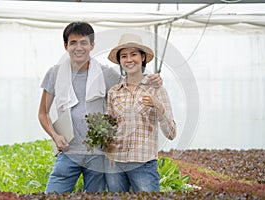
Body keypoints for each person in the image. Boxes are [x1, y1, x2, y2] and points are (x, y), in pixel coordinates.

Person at [38, 22, 162, 194]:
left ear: (92, 45)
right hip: (67, 152)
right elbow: (43, 113)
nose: (78, 47)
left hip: (98, 155)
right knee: (52, 194)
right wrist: (55, 136)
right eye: (73, 42)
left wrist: (152, 80)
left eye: (84, 42)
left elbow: (132, 84)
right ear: (66, 46)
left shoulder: (106, 74)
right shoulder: (55, 73)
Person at [105, 33, 177, 192]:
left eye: (133, 54)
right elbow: (109, 128)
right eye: (124, 56)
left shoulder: (156, 89)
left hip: (143, 164)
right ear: (120, 61)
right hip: (115, 166)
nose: (128, 59)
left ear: (143, 57)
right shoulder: (114, 92)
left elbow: (171, 133)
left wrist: (157, 105)